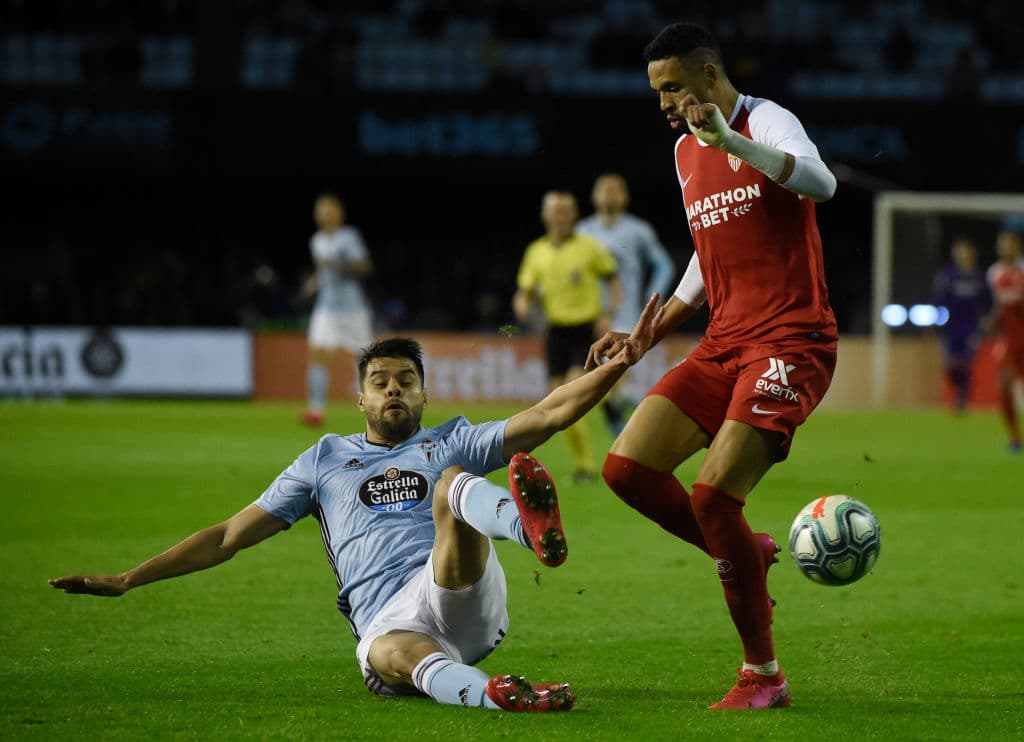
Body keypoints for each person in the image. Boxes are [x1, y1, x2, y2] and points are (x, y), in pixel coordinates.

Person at [50, 301, 661, 713]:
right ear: (360, 397)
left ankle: (531, 535)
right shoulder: (322, 460)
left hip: (455, 585)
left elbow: (549, 413)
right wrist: (131, 579)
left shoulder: (447, 439)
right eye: (380, 381)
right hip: (385, 617)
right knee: (391, 654)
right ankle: (500, 695)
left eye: (406, 380)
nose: (393, 388)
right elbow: (229, 535)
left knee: (451, 482)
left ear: (424, 393)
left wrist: (618, 365)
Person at [587, 22, 839, 710]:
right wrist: (652, 331)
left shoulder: (765, 118)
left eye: (672, 86)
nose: (664, 101)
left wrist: (733, 143)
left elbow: (822, 184)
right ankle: (746, 554)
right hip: (723, 341)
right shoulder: (681, 151)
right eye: (656, 91)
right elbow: (707, 253)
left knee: (711, 497)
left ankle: (765, 675)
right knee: (627, 469)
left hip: (791, 339)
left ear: (706, 73)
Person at [513, 190, 621, 484]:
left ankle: (587, 467)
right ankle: (606, 404)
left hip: (585, 331)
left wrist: (608, 313)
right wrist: (522, 302)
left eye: (565, 210)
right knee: (555, 403)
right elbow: (525, 290)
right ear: (545, 216)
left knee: (569, 394)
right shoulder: (536, 251)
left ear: (574, 215)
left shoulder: (589, 248)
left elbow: (613, 279)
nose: (560, 216)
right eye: (555, 210)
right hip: (555, 333)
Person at [577, 173, 676, 434]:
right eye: (604, 189)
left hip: (625, 314)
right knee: (593, 375)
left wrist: (654, 295)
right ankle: (626, 405)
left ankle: (624, 411)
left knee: (608, 368)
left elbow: (664, 265)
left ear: (625, 196)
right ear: (594, 196)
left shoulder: (638, 230)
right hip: (587, 314)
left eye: (615, 189)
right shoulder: (582, 232)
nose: (609, 194)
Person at [301, 193, 374, 427]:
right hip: (326, 307)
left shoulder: (348, 237)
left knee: (364, 359)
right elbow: (324, 272)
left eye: (328, 209)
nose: (324, 214)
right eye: (320, 210)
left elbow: (365, 267)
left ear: (339, 213)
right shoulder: (316, 241)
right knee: (318, 354)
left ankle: (375, 406)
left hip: (352, 308)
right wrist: (314, 282)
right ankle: (316, 410)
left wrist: (340, 264)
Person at [933, 237, 989, 413]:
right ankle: (959, 391)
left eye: (965, 251)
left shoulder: (979, 276)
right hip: (951, 326)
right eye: (959, 251)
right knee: (950, 364)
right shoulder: (948, 275)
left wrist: (986, 319)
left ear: (972, 253)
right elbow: (938, 299)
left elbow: (987, 301)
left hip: (972, 326)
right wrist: (936, 320)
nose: (962, 255)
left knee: (966, 362)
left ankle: (963, 397)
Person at [986, 230, 1024, 452]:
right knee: (1003, 386)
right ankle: (1014, 438)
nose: (1006, 248)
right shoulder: (994, 273)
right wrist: (992, 320)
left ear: (1018, 246)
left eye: (1010, 244)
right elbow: (999, 306)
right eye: (1003, 244)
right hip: (1009, 340)